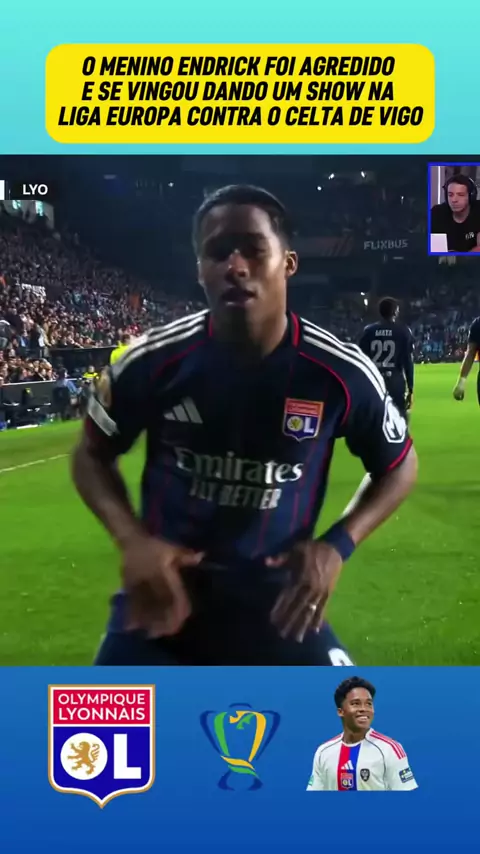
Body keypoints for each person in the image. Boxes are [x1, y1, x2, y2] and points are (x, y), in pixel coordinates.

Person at [72, 184, 418, 667]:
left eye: (253, 249)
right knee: (95, 721)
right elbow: (91, 454)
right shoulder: (151, 360)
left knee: (352, 713)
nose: (234, 266)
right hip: (161, 609)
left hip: (281, 611)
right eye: (217, 252)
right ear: (200, 269)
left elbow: (399, 465)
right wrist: (131, 539)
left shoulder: (340, 372)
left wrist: (337, 545)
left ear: (288, 263)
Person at [306, 676, 418, 791]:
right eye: (356, 703)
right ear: (340, 711)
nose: (364, 709)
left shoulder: (390, 749)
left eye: (369, 704)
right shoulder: (323, 752)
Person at [359, 297, 414, 419]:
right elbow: (408, 361)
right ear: (395, 312)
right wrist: (410, 388)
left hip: (374, 381)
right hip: (395, 381)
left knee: (373, 419)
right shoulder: (403, 331)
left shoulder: (369, 331)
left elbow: (361, 359)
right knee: (399, 419)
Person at [430, 174, 480, 253]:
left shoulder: (478, 210)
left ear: (471, 196)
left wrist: (461, 257)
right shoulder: (437, 213)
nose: (454, 200)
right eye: (450, 195)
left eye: (461, 195)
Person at [453, 316, 480, 402]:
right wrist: (461, 382)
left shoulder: (478, 324)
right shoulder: (477, 324)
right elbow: (470, 354)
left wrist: (461, 382)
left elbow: (470, 354)